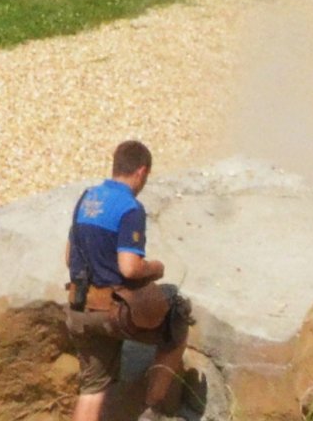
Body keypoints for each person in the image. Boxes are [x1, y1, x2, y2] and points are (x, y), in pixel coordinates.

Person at [66, 139, 191, 421]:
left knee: (92, 388)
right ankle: (153, 410)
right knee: (179, 316)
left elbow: (68, 257)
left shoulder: (87, 198)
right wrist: (155, 268)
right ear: (142, 172)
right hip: (111, 313)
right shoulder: (130, 207)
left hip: (78, 309)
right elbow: (130, 268)